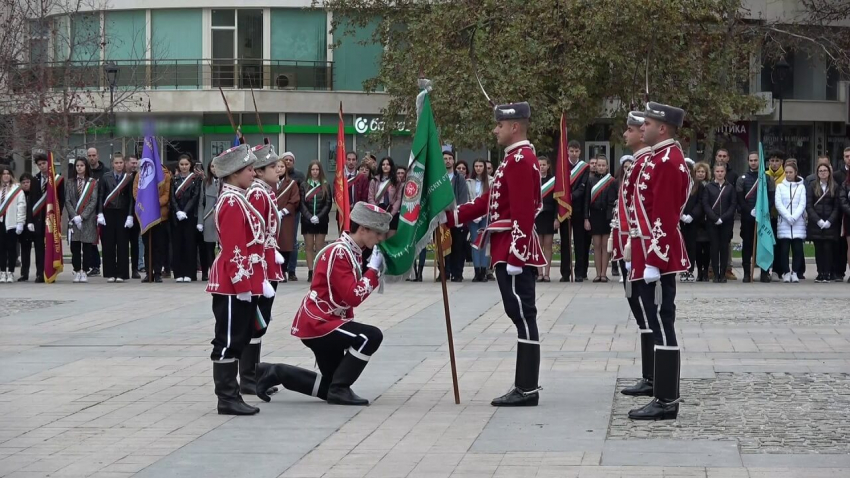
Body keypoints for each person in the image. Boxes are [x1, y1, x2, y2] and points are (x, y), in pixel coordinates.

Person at [445, 101, 545, 406]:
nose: (495, 129)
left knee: (523, 314)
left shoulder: (519, 160)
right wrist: (453, 216)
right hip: (506, 247)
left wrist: (516, 256)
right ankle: (524, 385)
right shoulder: (515, 158)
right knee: (519, 314)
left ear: (514, 127)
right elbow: (490, 201)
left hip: (513, 249)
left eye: (499, 125)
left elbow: (524, 212)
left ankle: (527, 387)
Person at [256, 202, 390, 406]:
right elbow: (352, 296)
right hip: (320, 323)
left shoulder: (351, 250)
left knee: (329, 386)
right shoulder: (340, 252)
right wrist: (372, 272)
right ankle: (340, 389)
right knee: (370, 337)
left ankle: (276, 372)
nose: (380, 239)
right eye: (378, 233)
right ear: (363, 229)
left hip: (327, 320)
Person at [626, 102, 691, 420]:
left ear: (661, 128)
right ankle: (663, 393)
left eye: (647, 124)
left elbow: (664, 215)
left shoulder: (667, 160)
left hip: (661, 256)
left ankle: (666, 399)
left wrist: (654, 259)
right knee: (656, 321)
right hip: (654, 252)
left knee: (663, 323)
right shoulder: (661, 157)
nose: (643, 129)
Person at [205, 143, 274, 416]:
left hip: (242, 281)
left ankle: (231, 394)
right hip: (233, 284)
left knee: (239, 337)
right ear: (233, 174)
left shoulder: (239, 197)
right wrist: (243, 285)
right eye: (248, 169)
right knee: (228, 339)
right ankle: (226, 397)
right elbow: (235, 247)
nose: (253, 174)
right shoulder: (232, 201)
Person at [238, 144, 286, 396]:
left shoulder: (267, 191)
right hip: (261, 266)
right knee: (256, 321)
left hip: (269, 262)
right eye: (271, 166)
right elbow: (255, 234)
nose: (278, 169)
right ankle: (247, 376)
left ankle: (252, 373)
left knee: (261, 320)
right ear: (257, 171)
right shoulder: (258, 193)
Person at [613, 112, 655, 398]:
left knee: (649, 311)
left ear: (642, 133)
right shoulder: (635, 164)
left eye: (629, 130)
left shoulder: (646, 164)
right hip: (631, 247)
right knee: (639, 310)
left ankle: (653, 376)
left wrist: (631, 241)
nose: (624, 135)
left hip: (642, 247)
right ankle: (649, 374)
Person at [736, 151, 774, 283]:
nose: (753, 162)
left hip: (763, 218)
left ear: (760, 161)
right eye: (751, 160)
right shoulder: (742, 179)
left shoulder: (767, 178)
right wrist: (749, 211)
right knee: (747, 246)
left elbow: (771, 198)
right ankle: (747, 273)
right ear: (748, 162)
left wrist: (763, 211)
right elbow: (740, 199)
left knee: (763, 245)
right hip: (748, 218)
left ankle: (765, 273)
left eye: (756, 160)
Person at [97, 153, 134, 283]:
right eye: (116, 163)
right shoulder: (106, 177)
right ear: (112, 164)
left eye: (121, 163)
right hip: (108, 213)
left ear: (124, 164)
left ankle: (122, 273)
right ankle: (110, 272)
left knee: (123, 244)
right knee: (108, 244)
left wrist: (130, 215)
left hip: (123, 213)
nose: (119, 165)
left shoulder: (128, 178)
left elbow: (131, 199)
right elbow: (101, 195)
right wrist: (100, 213)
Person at [133, 161, 172, 283]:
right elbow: (136, 192)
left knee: (159, 246)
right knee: (147, 246)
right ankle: (149, 273)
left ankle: (158, 273)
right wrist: (146, 204)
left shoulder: (165, 175)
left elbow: (166, 194)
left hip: (160, 216)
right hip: (145, 215)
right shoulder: (140, 175)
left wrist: (154, 204)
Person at [558, 140, 590, 282]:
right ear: (567, 151)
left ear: (580, 152)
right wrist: (565, 199)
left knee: (579, 241)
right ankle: (565, 272)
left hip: (577, 207)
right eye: (571, 151)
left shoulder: (584, 168)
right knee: (565, 242)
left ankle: (579, 272)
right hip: (563, 208)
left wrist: (571, 197)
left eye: (576, 151)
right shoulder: (562, 166)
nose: (574, 153)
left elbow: (583, 187)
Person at [28, 152, 61, 283]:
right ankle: (39, 273)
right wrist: (30, 221)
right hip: (38, 220)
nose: (42, 166)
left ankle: (50, 272)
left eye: (44, 163)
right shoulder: (34, 179)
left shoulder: (57, 179)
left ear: (49, 163)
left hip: (52, 219)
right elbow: (31, 202)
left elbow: (61, 200)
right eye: (39, 164)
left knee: (51, 246)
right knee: (38, 247)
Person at [168, 154, 202, 282]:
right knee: (177, 245)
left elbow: (195, 196)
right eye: (181, 164)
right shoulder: (174, 179)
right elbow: (172, 197)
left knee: (189, 245)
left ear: (190, 165)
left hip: (190, 216)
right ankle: (178, 273)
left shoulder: (195, 179)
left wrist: (185, 211)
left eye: (186, 164)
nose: (184, 167)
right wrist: (177, 211)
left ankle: (189, 273)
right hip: (176, 217)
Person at [65, 158, 99, 283]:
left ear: (86, 167)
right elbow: (67, 200)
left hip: (87, 219)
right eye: (77, 165)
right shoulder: (70, 182)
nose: (79, 168)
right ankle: (77, 270)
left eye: (82, 165)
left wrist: (82, 216)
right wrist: (75, 216)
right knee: (75, 248)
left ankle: (85, 271)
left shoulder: (92, 182)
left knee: (87, 247)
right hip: (74, 220)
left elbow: (93, 201)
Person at [806, 163, 841, 283]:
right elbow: (809, 206)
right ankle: (820, 273)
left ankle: (827, 273)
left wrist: (830, 221)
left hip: (830, 224)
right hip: (816, 223)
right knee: (818, 250)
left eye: (825, 170)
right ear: (817, 173)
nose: (823, 173)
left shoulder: (835, 187)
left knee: (828, 249)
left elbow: (837, 207)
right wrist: (818, 220)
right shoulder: (812, 186)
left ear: (829, 172)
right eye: (820, 171)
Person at [703, 163, 737, 283]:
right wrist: (714, 218)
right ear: (714, 173)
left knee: (724, 248)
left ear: (725, 172)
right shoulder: (709, 187)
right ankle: (715, 274)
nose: (720, 173)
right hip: (712, 222)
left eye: (722, 171)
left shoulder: (730, 187)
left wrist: (723, 218)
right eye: (717, 171)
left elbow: (733, 205)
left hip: (726, 222)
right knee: (714, 247)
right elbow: (706, 204)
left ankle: (723, 274)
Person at [585, 155, 616, 282]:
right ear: (595, 166)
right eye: (599, 165)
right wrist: (586, 218)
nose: (601, 167)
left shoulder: (612, 181)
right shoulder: (590, 181)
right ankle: (598, 273)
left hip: (607, 216)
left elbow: (613, 200)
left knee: (605, 245)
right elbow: (586, 200)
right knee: (596, 244)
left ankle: (604, 273)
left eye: (604, 165)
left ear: (607, 166)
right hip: (595, 215)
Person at [300, 160, 332, 282]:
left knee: (319, 246)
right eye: (313, 169)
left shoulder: (325, 185)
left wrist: (319, 216)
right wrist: (309, 217)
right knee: (308, 246)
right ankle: (310, 271)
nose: (315, 172)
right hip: (307, 221)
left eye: (317, 169)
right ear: (309, 171)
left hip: (322, 220)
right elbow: (302, 204)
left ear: (320, 171)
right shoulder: (304, 185)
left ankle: (319, 271)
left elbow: (328, 203)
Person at [775, 161, 806, 283]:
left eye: (790, 172)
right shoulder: (780, 187)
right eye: (786, 172)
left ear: (795, 173)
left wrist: (795, 216)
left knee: (798, 249)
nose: (788, 174)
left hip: (798, 222)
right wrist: (788, 216)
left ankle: (795, 272)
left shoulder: (801, 187)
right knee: (784, 249)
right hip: (784, 222)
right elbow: (778, 203)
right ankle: (786, 272)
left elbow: (802, 203)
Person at [443, 150, 470, 282]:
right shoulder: (439, 178)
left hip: (457, 216)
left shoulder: (459, 178)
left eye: (450, 158)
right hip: (442, 217)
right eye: (444, 159)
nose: (447, 161)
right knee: (443, 245)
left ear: (453, 161)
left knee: (458, 247)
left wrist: (458, 214)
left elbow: (463, 198)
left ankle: (457, 273)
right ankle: (444, 272)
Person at [713, 148, 737, 280]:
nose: (722, 158)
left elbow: (734, 198)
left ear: (728, 158)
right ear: (716, 157)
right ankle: (712, 269)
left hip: (727, 217)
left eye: (724, 156)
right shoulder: (711, 171)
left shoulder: (733, 175)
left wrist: (727, 215)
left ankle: (727, 269)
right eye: (719, 156)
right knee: (712, 244)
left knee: (726, 243)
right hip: (712, 216)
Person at [276, 157, 301, 280]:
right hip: (272, 217)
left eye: (282, 167)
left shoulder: (291, 183)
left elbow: (295, 199)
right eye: (277, 166)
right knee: (274, 244)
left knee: (286, 244)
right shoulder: (270, 183)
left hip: (286, 217)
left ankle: (284, 271)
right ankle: (275, 271)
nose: (279, 169)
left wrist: (284, 211)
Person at [469, 158, 493, 282]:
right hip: (473, 216)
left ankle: (484, 271)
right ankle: (476, 271)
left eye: (480, 166)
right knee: (474, 243)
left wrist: (484, 213)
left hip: (486, 216)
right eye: (476, 166)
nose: (478, 168)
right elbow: (468, 199)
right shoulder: (469, 182)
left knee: (484, 243)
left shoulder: (491, 181)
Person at [282, 152, 305, 281]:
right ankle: (282, 270)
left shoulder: (299, 176)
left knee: (293, 242)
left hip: (293, 214)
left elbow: (302, 194)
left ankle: (292, 271)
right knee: (281, 242)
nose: (288, 162)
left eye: (290, 160)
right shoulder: (277, 174)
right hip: (279, 214)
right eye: (286, 159)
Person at [0, 166, 25, 283]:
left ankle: (10, 272)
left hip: (12, 223)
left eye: (8, 173)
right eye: (3, 173)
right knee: (1, 249)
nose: (6, 176)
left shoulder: (17, 189)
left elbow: (21, 207)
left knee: (11, 248)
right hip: (0, 222)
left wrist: (20, 222)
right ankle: (2, 271)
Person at [686, 162, 710, 282]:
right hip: (691, 221)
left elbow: (702, 202)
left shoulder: (706, 185)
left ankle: (705, 271)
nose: (700, 174)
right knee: (692, 247)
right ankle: (693, 271)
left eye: (702, 172)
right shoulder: (689, 184)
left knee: (705, 248)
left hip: (705, 220)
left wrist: (693, 215)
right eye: (698, 172)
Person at [368, 157, 402, 238]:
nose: (385, 166)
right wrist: (376, 210)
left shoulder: (396, 181)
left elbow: (398, 198)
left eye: (387, 164)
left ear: (391, 166)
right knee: (380, 239)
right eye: (383, 164)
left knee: (391, 239)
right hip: (379, 210)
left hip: (392, 212)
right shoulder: (374, 180)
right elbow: (370, 198)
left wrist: (392, 213)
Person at [765, 150, 786, 279]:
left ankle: (778, 270)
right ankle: (765, 270)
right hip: (767, 215)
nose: (774, 163)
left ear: (782, 162)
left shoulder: (786, 176)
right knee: (767, 243)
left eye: (777, 161)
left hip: (781, 216)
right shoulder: (765, 175)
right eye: (772, 161)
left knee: (779, 244)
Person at [84, 147, 105, 277]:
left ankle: (108, 266)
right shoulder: (84, 172)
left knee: (105, 240)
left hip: (102, 210)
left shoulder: (105, 172)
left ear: (98, 155)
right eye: (89, 155)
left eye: (94, 155)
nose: (92, 158)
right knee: (90, 240)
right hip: (88, 211)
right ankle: (94, 265)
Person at [197, 160, 218, 282]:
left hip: (221, 217)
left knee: (221, 247)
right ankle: (208, 272)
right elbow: (201, 203)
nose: (214, 169)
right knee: (208, 247)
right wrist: (200, 221)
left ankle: (220, 271)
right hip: (208, 217)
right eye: (212, 166)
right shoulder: (205, 182)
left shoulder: (225, 181)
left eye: (216, 166)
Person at [832, 147, 850, 282]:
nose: (848, 158)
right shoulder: (838, 175)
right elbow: (838, 196)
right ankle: (840, 272)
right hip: (843, 215)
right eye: (846, 156)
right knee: (842, 246)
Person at [125, 155, 141, 279]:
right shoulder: (123, 176)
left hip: (135, 215)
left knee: (134, 243)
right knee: (122, 243)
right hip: (122, 213)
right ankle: (123, 269)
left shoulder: (139, 176)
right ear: (126, 163)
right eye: (132, 163)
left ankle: (135, 268)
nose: (134, 165)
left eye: (136, 163)